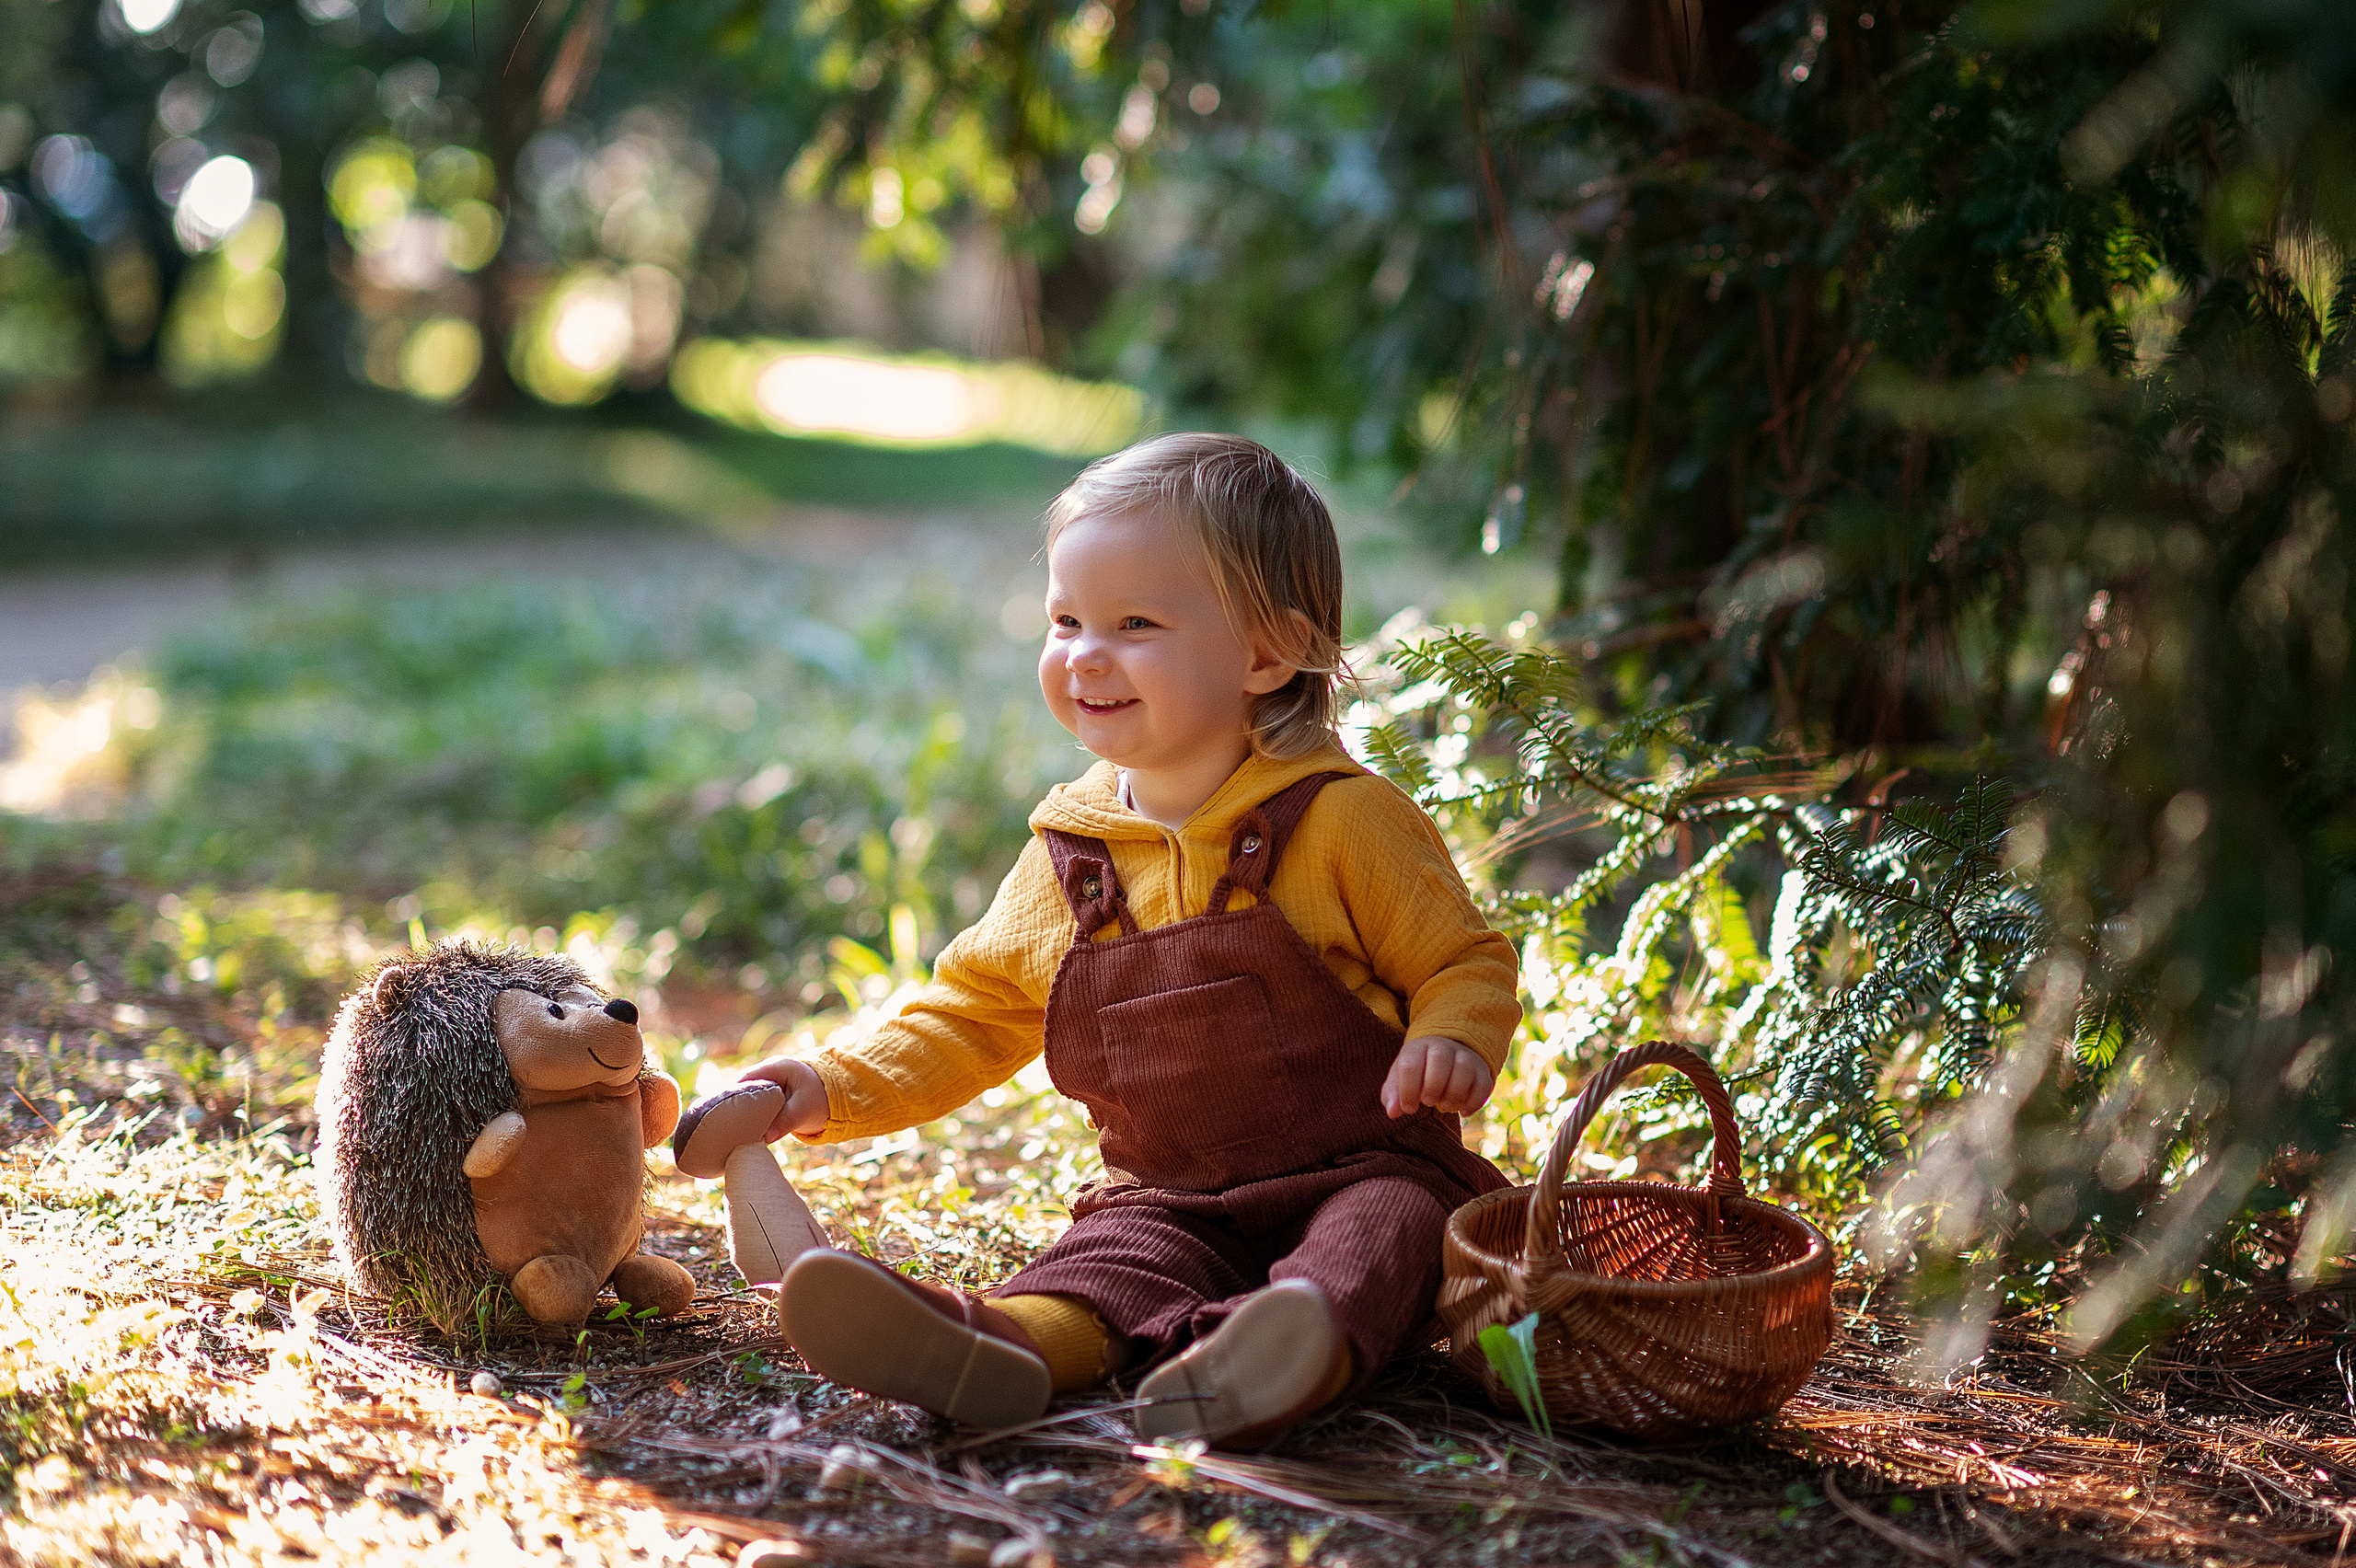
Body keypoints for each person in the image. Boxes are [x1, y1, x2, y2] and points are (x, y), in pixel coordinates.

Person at [722, 432, 1519, 1448]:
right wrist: (823, 1087)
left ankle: (1284, 1346)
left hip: (1364, 1164)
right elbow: (971, 1011)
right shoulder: (1072, 855)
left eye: (1135, 623)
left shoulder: (1343, 822)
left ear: (1268, 652)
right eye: (1065, 621)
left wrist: (1451, 1036)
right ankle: (996, 1343)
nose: (1084, 654)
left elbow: (1463, 959)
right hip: (1172, 1195)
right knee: (1106, 1264)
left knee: (1386, 1233)